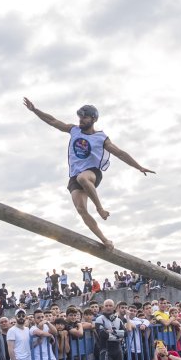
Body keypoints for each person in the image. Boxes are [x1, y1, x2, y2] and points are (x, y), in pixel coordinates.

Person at [23, 98, 155, 249]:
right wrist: (35, 110)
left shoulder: (101, 138)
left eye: (84, 117)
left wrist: (138, 167)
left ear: (93, 119)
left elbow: (119, 153)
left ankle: (100, 208)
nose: (81, 120)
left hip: (92, 173)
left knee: (83, 178)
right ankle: (106, 240)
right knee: (81, 210)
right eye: (80, 117)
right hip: (74, 175)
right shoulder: (73, 130)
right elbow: (52, 121)